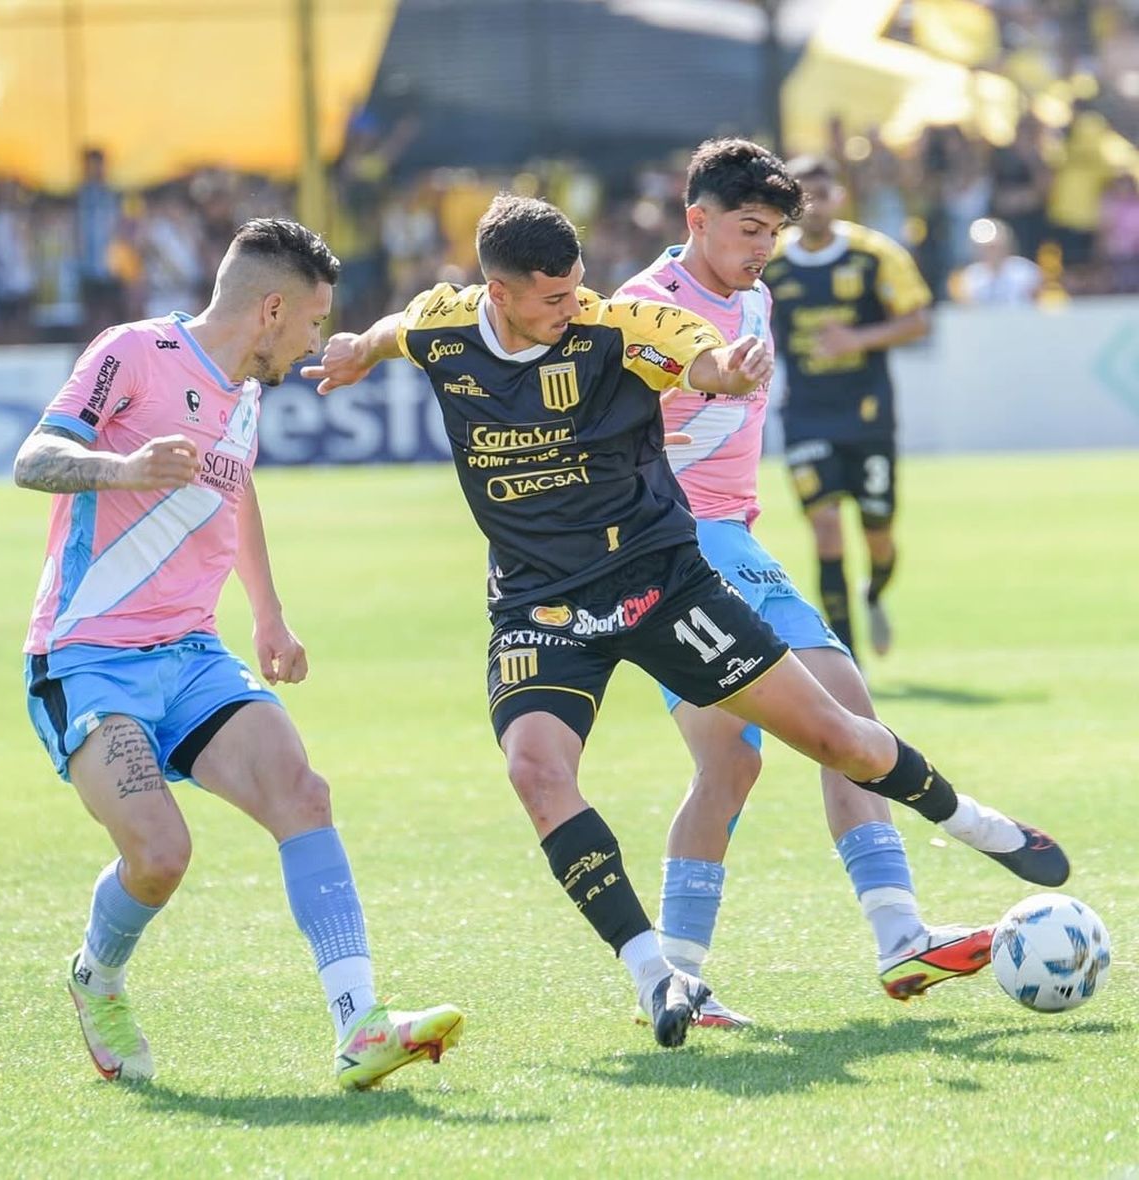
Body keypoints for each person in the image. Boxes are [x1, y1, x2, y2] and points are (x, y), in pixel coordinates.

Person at [304, 194, 1069, 1050]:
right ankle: (658, 973)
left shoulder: (619, 325)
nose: (574, 308)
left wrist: (724, 374)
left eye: (579, 289)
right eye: (553, 299)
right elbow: (394, 330)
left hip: (663, 586)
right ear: (499, 291)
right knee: (536, 771)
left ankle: (980, 826)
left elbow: (694, 356)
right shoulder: (445, 322)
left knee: (840, 738)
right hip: (540, 605)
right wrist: (354, 352)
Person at [15, 217, 463, 1089]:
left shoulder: (246, 393)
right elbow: (35, 458)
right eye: (312, 321)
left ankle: (360, 1023)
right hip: (87, 657)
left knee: (303, 791)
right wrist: (123, 470)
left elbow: (235, 487)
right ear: (270, 309)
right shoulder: (134, 351)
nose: (313, 339)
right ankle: (97, 976)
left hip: (191, 654)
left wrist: (268, 613)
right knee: (160, 856)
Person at [615, 138, 999, 1028]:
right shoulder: (642, 305)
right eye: (749, 229)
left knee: (732, 766)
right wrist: (705, 381)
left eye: (774, 233)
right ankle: (896, 932)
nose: (762, 249)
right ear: (696, 218)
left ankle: (678, 977)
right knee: (831, 717)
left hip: (720, 538)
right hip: (685, 542)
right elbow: (636, 405)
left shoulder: (753, 294)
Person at [762, 155, 932, 664]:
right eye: (803, 195)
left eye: (823, 191)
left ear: (839, 195)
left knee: (878, 535)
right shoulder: (771, 264)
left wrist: (857, 337)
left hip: (867, 412)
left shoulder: (874, 253)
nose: (814, 204)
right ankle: (846, 654)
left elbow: (918, 320)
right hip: (806, 414)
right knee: (827, 527)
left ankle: (874, 591)